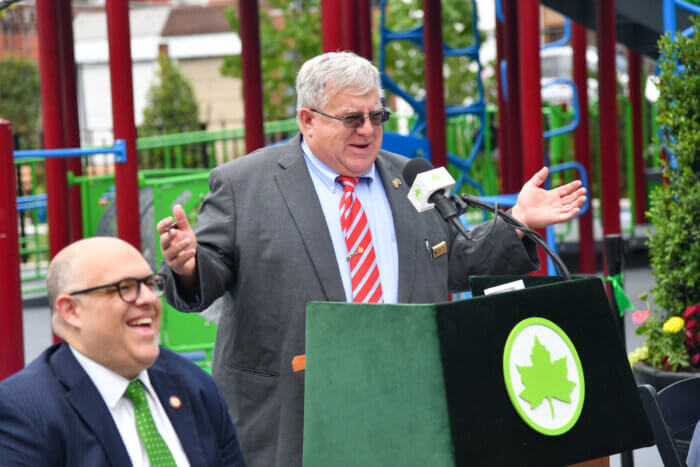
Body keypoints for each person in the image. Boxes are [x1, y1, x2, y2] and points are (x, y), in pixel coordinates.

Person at [158, 51, 586, 466]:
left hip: (404, 404)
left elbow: (454, 259)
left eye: (377, 116)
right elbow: (205, 276)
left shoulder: (412, 178)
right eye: (351, 118)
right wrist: (188, 266)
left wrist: (517, 221)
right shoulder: (243, 185)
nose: (368, 130)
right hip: (294, 415)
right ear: (307, 120)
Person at [0, 237, 246, 466]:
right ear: (71, 310)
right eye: (124, 288)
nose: (148, 299)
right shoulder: (25, 411)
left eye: (151, 284)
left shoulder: (194, 385)